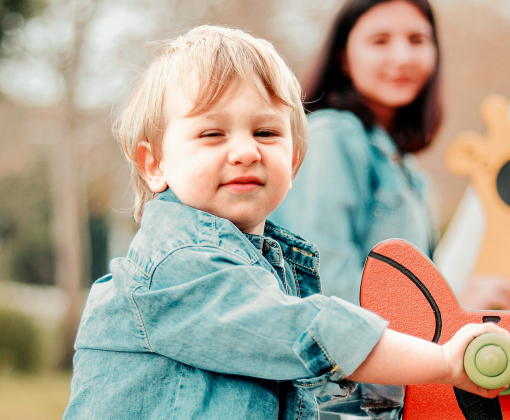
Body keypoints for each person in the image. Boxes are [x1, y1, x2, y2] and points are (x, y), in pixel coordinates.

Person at [63, 25, 509, 420]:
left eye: (266, 132)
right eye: (212, 133)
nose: (245, 151)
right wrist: (446, 363)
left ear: (293, 160)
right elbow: (308, 333)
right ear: (153, 163)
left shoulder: (268, 270)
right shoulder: (177, 267)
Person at [270, 0, 510, 310]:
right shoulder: (330, 136)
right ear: (344, 58)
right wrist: (453, 311)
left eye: (417, 40)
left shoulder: (404, 166)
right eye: (379, 41)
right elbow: (324, 288)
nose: (402, 57)